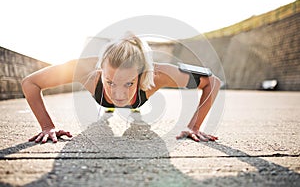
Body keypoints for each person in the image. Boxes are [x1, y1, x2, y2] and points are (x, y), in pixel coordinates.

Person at [22, 33, 221, 144]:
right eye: (110, 82)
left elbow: (213, 82)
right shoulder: (83, 69)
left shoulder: (158, 74)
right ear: (100, 72)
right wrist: (47, 126)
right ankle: (108, 107)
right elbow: (30, 83)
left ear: (143, 75)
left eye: (129, 83)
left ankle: (134, 107)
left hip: (139, 100)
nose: (119, 94)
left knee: (134, 109)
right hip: (101, 100)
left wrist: (194, 126)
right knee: (109, 106)